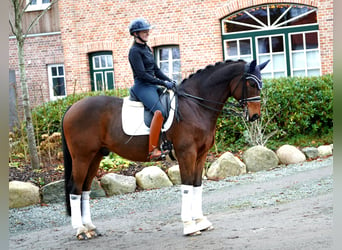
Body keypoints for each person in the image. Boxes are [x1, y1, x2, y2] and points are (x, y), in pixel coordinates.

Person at [128, 18, 176, 160]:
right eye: (144, 31)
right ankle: (153, 149)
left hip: (152, 84)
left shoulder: (146, 48)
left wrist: (169, 81)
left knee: (172, 103)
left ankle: (167, 142)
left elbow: (155, 69)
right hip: (142, 86)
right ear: (136, 34)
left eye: (147, 30)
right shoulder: (134, 51)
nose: (148, 32)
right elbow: (142, 75)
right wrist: (162, 83)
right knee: (159, 111)